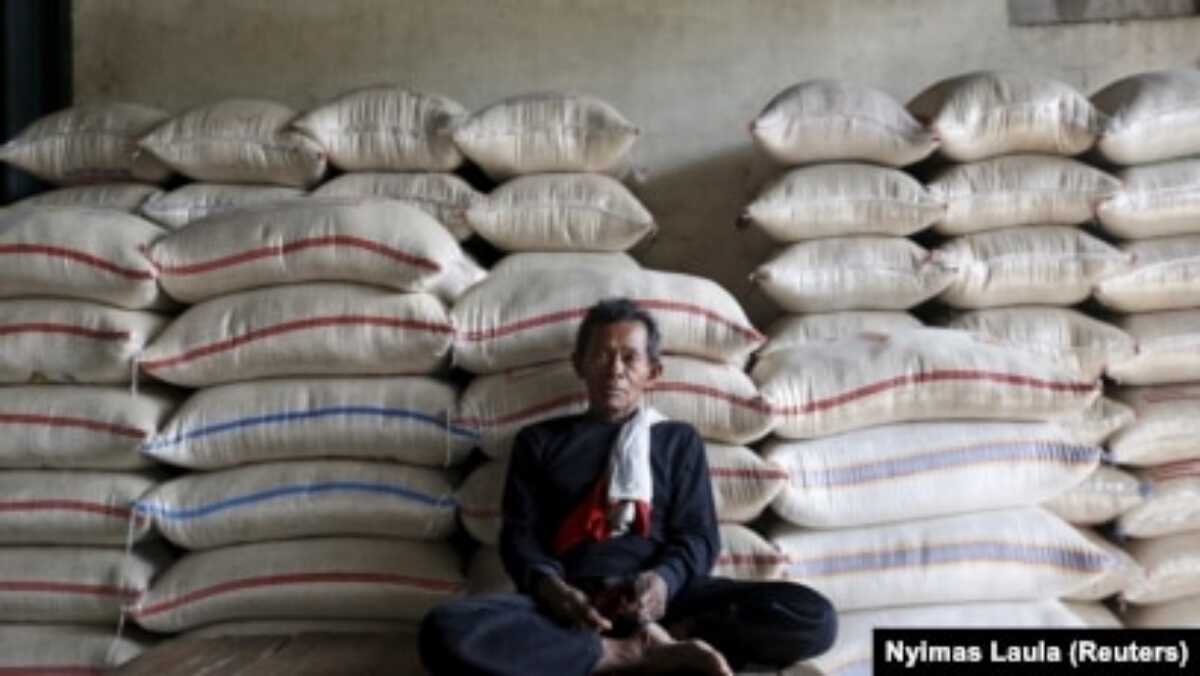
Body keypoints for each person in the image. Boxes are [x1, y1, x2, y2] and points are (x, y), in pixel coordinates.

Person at [420, 298, 836, 675]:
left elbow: (698, 537)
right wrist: (552, 589)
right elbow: (520, 538)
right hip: (573, 606)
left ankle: (675, 637)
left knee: (813, 616)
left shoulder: (676, 440)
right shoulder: (540, 441)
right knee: (445, 630)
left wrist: (663, 582)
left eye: (629, 358)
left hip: (666, 601)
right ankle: (622, 652)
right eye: (601, 356)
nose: (615, 369)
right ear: (579, 364)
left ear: (652, 373)